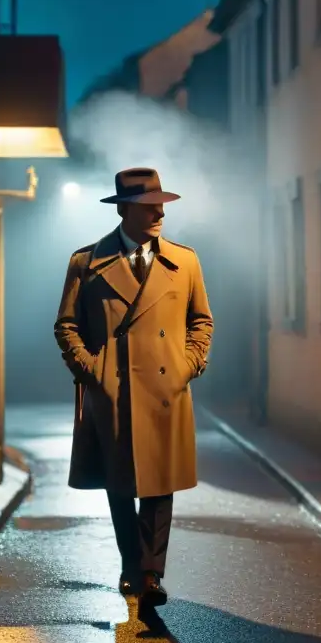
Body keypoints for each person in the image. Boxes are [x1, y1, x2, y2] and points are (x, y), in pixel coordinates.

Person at [54, 167, 214, 610]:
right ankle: (131, 565)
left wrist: (190, 363)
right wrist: (94, 368)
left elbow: (201, 320)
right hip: (114, 391)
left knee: (161, 485)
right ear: (125, 209)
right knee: (120, 483)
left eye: (162, 204)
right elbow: (67, 325)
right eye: (149, 206)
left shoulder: (185, 261)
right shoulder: (85, 263)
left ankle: (150, 572)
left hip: (167, 387)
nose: (160, 213)